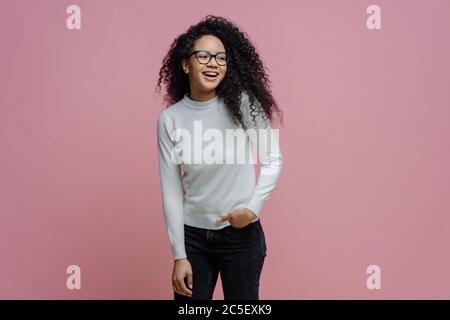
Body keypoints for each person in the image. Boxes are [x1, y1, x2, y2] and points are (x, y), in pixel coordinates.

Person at [155, 15, 283, 300]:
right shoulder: (170, 120)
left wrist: (252, 209)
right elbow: (172, 191)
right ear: (186, 64)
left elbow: (273, 158)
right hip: (193, 239)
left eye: (221, 58)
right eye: (203, 56)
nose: (213, 63)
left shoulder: (243, 104)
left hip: (241, 237)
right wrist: (179, 255)